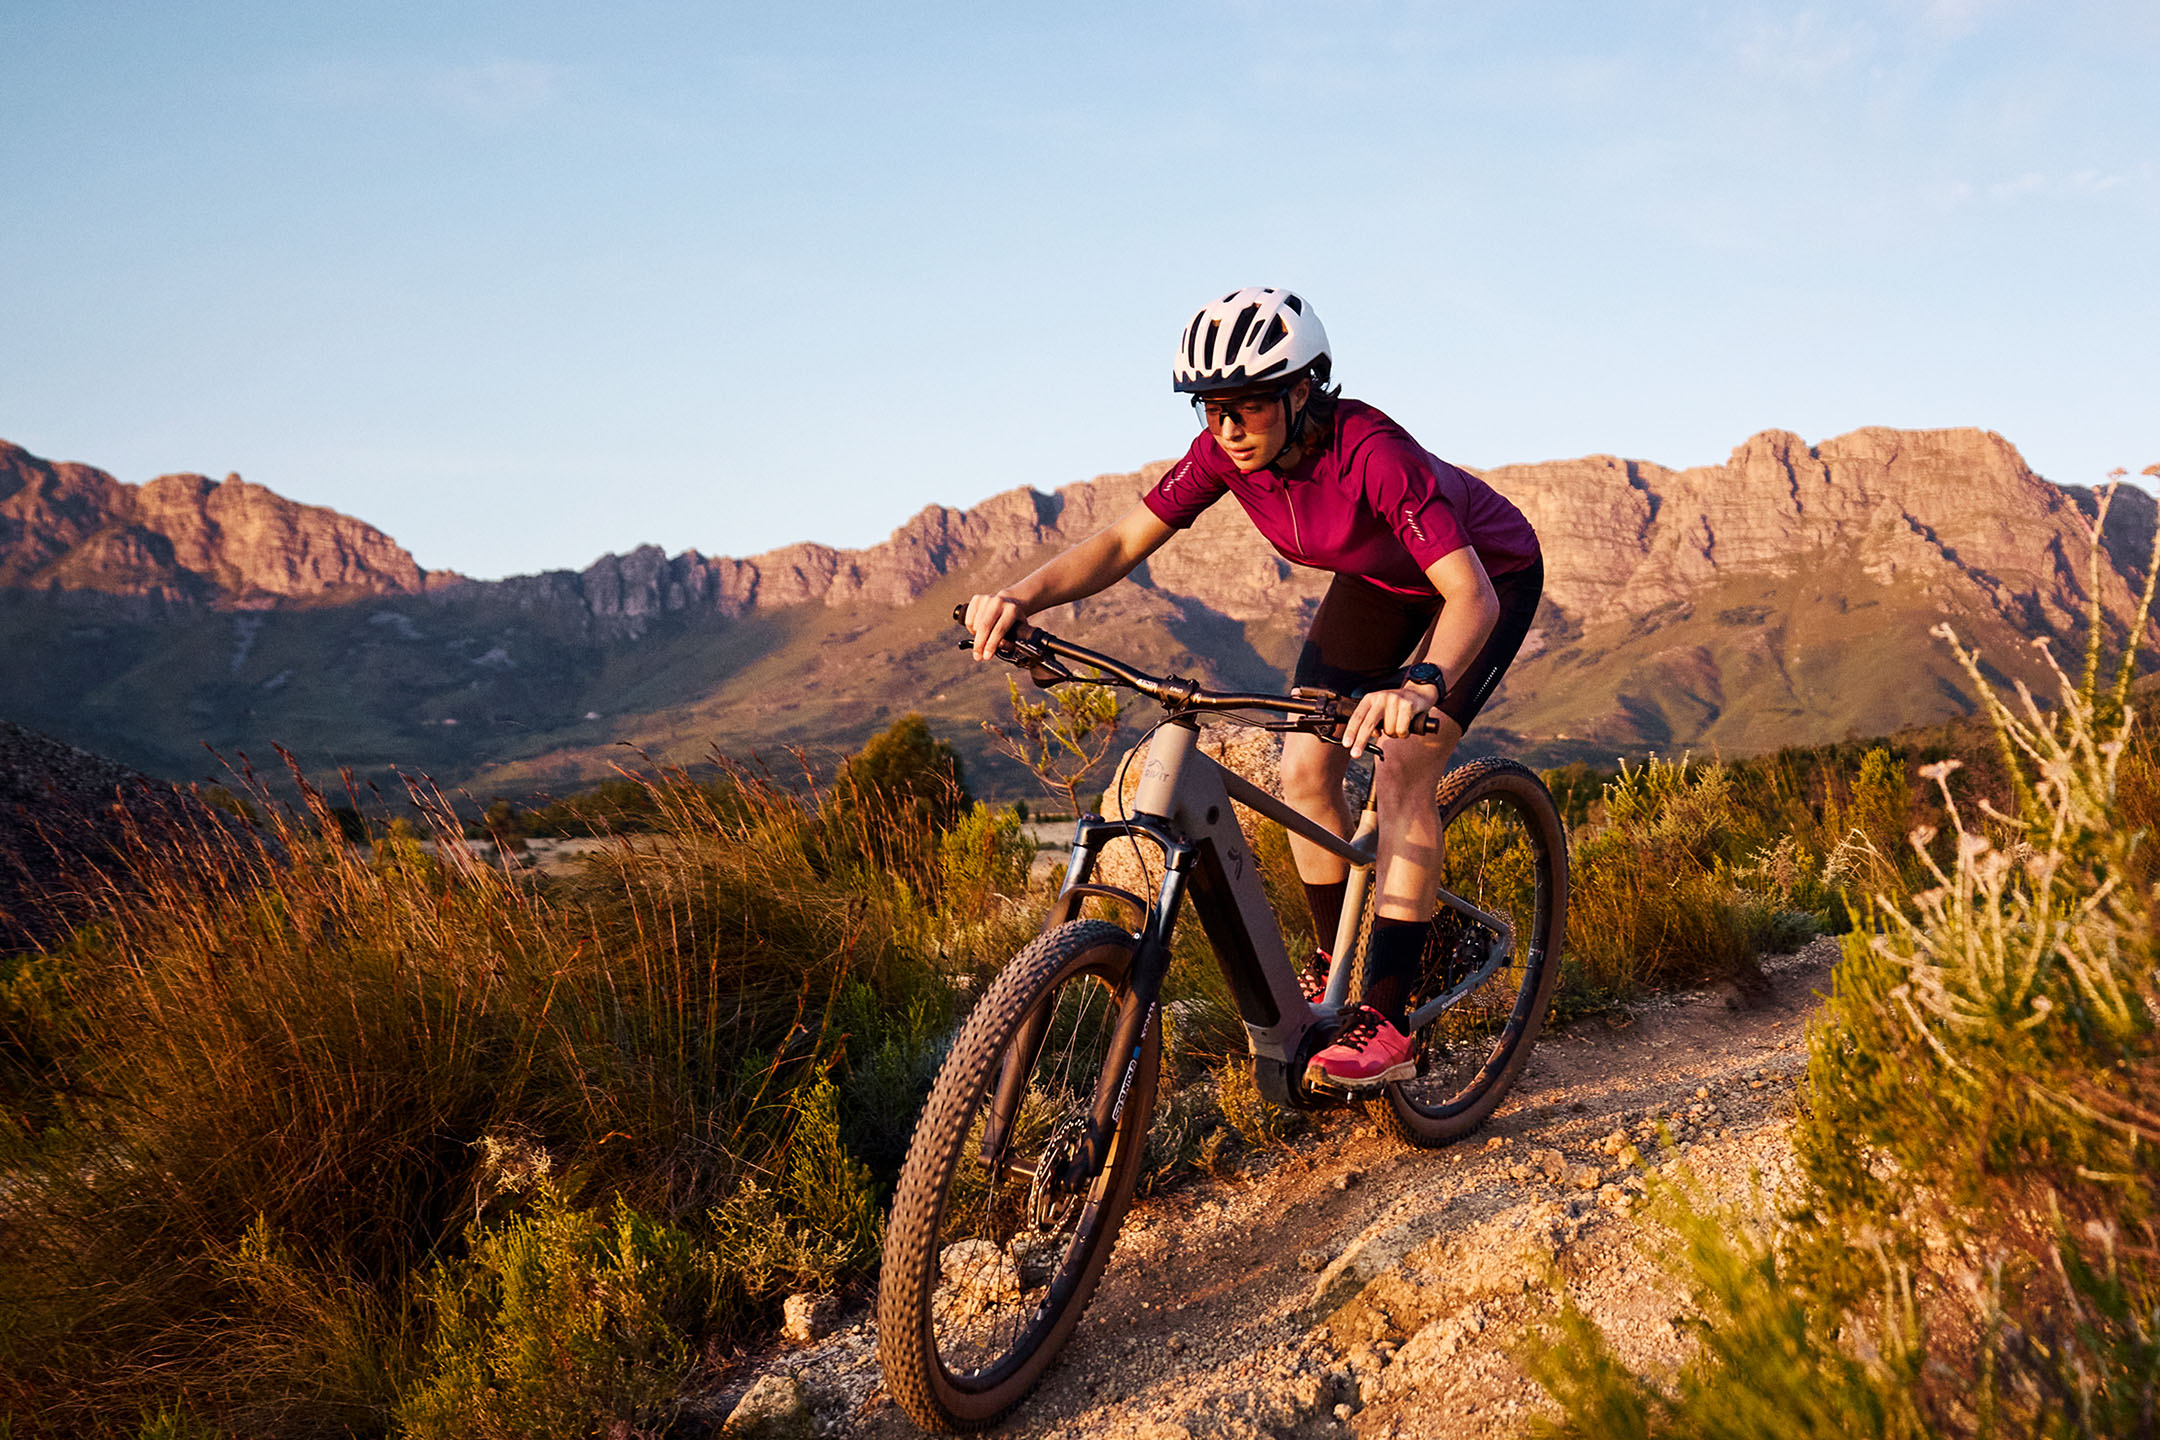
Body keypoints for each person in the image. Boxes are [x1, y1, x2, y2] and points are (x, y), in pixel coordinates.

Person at [964, 287, 1543, 1090]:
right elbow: (1123, 542)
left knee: (1403, 767)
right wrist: (1021, 596)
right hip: (1380, 584)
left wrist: (1422, 683)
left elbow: (1468, 596)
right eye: (1213, 409)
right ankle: (1333, 965)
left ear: (1302, 391)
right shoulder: (1221, 457)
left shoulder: (1372, 453)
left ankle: (1386, 1021)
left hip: (1485, 580)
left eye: (1249, 405)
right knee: (1303, 769)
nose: (1229, 428)